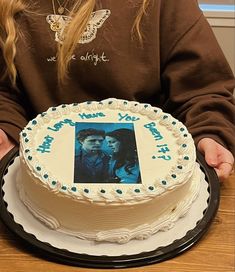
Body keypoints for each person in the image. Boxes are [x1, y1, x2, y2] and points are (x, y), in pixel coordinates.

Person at [0, 0, 235, 182]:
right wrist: (5, 128)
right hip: (37, 175)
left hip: (152, 175)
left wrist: (210, 131)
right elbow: (5, 92)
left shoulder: (167, 5)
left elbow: (203, 89)